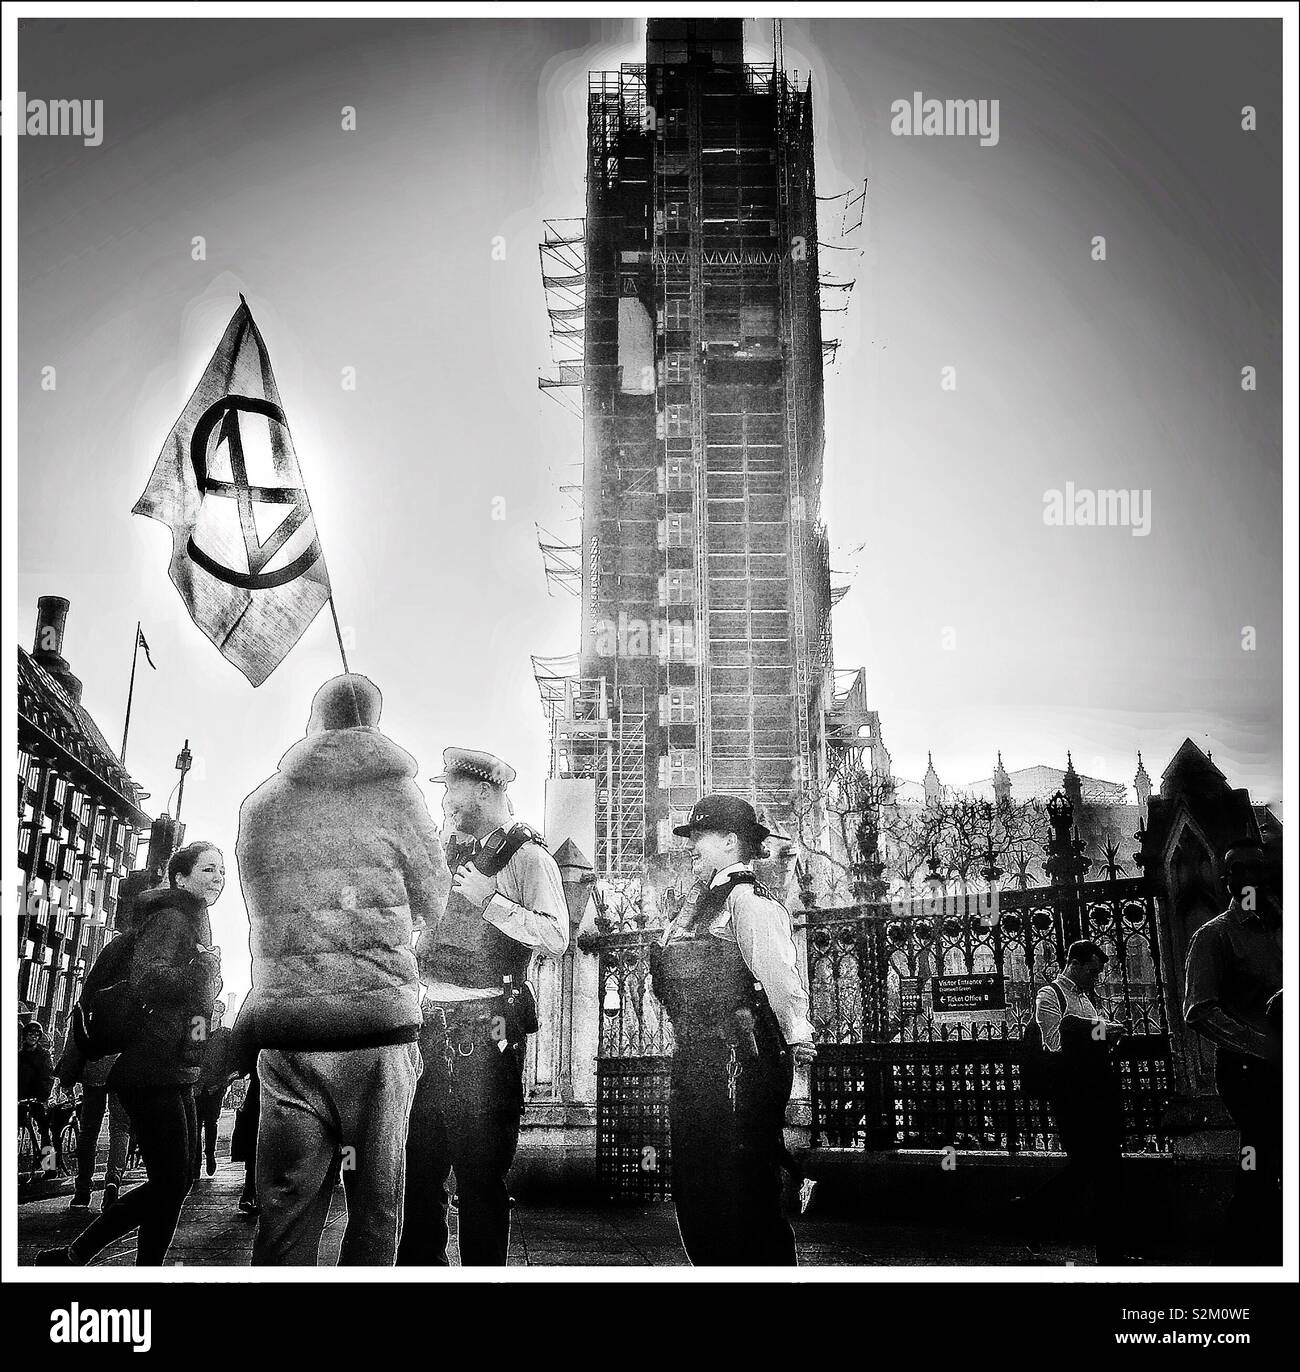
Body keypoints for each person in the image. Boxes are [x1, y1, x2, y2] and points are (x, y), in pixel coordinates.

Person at [233, 673, 449, 1266]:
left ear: (315, 720)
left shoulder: (262, 804)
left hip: (291, 1032)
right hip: (378, 1033)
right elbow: (435, 898)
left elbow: (258, 900)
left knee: (285, 1207)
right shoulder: (399, 798)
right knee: (376, 1207)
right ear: (373, 722)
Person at [397, 748, 569, 1266]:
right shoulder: (452, 854)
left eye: (453, 790)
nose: (446, 801)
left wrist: (490, 902)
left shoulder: (528, 857)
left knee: (481, 1175)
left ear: (484, 790)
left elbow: (556, 936)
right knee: (419, 1167)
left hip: (488, 1028)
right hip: (431, 1027)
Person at [648, 794, 817, 1266]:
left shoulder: (748, 901)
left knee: (744, 1182)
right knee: (698, 1182)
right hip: (699, 1058)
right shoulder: (699, 903)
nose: (691, 847)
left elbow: (780, 977)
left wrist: (798, 1037)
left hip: (742, 1060)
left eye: (699, 837)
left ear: (728, 840)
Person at [37, 842, 224, 1266]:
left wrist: (205, 995)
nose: (219, 879)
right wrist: (202, 970)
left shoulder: (194, 920)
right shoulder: (172, 918)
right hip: (149, 1067)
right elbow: (148, 980)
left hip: (173, 1066)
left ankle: (117, 1265)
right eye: (209, 870)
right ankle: (76, 1254)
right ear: (180, 878)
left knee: (176, 1181)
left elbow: (195, 1005)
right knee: (171, 1181)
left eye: (221, 872)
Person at [1184, 838, 1283, 1264]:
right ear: (1226, 880)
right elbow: (1199, 1009)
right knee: (1257, 1154)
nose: (1250, 877)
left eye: (1257, 867)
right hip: (1248, 1069)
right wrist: (1261, 1045)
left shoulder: (1280, 928)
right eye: (1239, 869)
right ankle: (1237, 1253)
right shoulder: (1214, 936)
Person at [1017, 939, 1133, 1263]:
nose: (1095, 979)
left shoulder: (1086, 1000)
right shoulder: (1049, 995)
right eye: (1092, 971)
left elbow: (1091, 1044)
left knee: (1106, 1169)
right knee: (1089, 1167)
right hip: (1071, 1098)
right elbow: (1055, 1041)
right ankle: (1031, 1210)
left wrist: (1108, 1036)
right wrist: (1101, 1029)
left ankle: (1110, 1253)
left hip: (1098, 1095)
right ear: (1075, 964)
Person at [56, 1025, 130, 1211]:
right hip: (122, 1071)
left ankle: (82, 1189)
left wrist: (66, 1078)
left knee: (88, 1132)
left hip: (93, 1070)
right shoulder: (132, 1005)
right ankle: (113, 1180)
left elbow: (74, 1040)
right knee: (120, 1129)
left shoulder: (89, 1005)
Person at [191, 1003, 234, 1180]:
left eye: (217, 1011)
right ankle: (196, 1162)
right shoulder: (199, 1026)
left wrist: (224, 1082)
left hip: (214, 1087)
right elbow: (192, 1051)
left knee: (211, 1122)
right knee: (195, 1124)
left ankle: (209, 1154)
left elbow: (230, 1059)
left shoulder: (225, 1034)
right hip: (197, 1085)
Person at [19, 1021, 57, 1171]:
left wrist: (43, 1095)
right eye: (30, 1034)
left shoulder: (44, 1055)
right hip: (22, 1098)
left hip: (38, 1098)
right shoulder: (19, 1055)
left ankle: (50, 1167)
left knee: (44, 1130)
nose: (33, 1037)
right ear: (25, 1036)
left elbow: (48, 1076)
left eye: (36, 1035)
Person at [229, 1065, 261, 1215]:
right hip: (260, 1093)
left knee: (254, 1147)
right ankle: (250, 1192)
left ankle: (250, 1193)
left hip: (259, 1092)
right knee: (254, 1147)